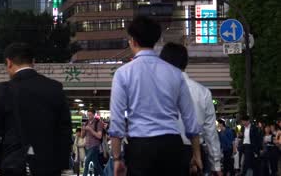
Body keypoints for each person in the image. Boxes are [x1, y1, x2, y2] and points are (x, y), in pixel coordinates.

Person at [108, 16, 202, 176]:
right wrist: (196, 155)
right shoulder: (175, 73)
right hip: (172, 145)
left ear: (133, 41)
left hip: (140, 147)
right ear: (155, 40)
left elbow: (116, 120)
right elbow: (190, 119)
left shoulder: (123, 73)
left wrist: (117, 158)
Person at [0, 42, 72, 176]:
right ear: (33, 62)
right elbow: (65, 130)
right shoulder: (54, 88)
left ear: (8, 63)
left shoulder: (1, 91)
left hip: (12, 165)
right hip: (48, 166)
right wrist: (61, 165)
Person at [160, 42, 223, 176]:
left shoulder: (155, 90)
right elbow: (210, 132)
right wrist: (216, 164)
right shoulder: (203, 92)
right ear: (185, 63)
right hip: (194, 154)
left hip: (162, 153)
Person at [81, 109, 103, 176]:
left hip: (94, 146)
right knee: (96, 164)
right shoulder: (86, 123)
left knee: (87, 162)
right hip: (87, 146)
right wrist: (83, 130)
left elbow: (99, 136)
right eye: (88, 115)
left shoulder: (98, 123)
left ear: (94, 115)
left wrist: (90, 130)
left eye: (90, 115)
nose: (89, 116)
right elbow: (82, 136)